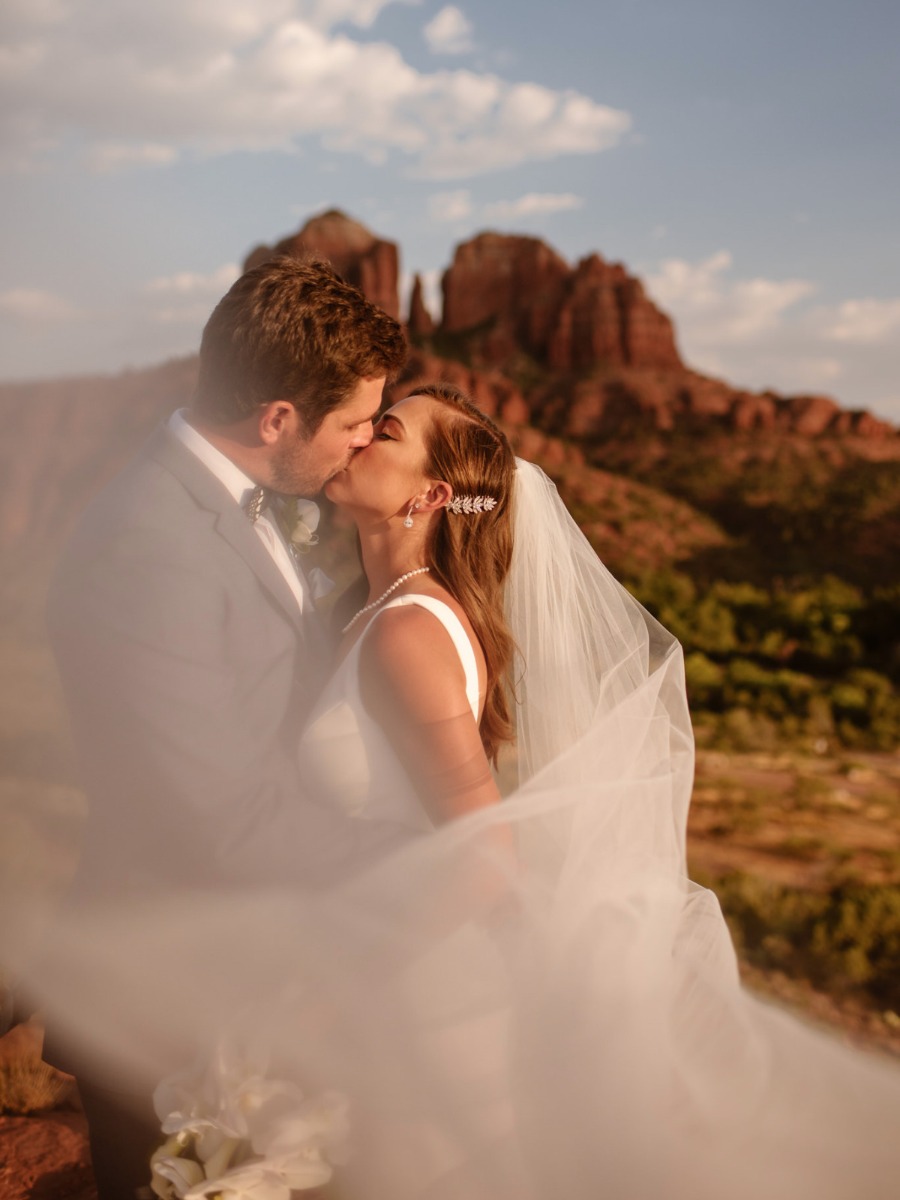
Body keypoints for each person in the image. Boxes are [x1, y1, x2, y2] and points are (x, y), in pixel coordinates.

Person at [39, 255, 409, 1200]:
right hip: (164, 1008)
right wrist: (417, 861)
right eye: (356, 421)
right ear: (276, 419)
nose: (365, 442)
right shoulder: (150, 546)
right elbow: (219, 813)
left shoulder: (243, 502)